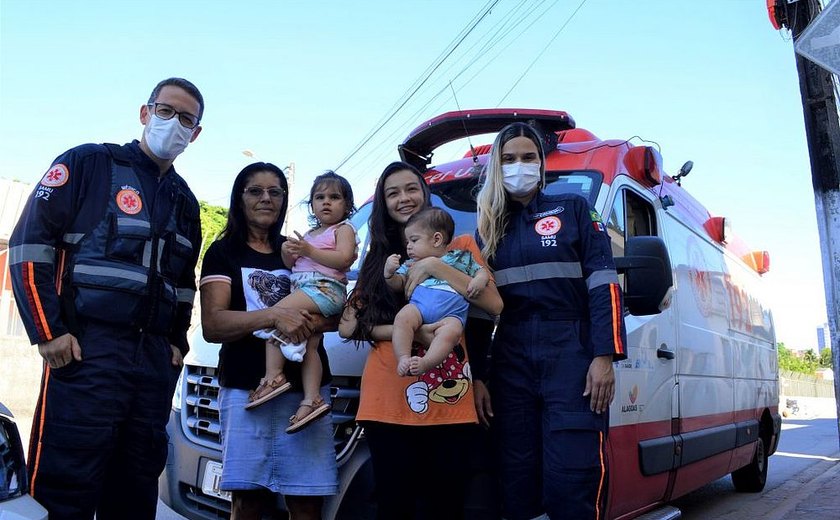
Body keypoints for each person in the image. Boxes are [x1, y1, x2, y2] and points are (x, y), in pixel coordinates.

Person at [8, 77, 204, 520]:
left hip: (152, 362)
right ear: (144, 112)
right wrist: (48, 331)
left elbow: (184, 284)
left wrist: (176, 343)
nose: (173, 124)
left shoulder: (185, 201)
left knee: (136, 488)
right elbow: (28, 246)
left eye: (186, 119)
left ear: (195, 134)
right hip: (86, 352)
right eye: (166, 111)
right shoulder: (88, 164)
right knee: (66, 484)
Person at [474, 122, 628, 520]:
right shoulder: (488, 230)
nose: (519, 166)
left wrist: (604, 356)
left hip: (572, 358)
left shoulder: (574, 209)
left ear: (543, 165)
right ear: (496, 166)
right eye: (509, 159)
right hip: (510, 361)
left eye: (528, 157)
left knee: (571, 481)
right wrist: (478, 376)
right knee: (516, 480)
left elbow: (604, 284)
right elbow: (477, 311)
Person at [339, 161, 503, 520]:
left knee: (446, 504)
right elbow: (349, 328)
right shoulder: (379, 260)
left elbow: (492, 304)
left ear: (424, 192)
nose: (404, 198)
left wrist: (435, 267)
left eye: (411, 188)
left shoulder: (460, 246)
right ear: (383, 202)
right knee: (394, 504)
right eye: (392, 192)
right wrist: (414, 331)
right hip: (387, 391)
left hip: (448, 394)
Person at [200, 162, 338, 519]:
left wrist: (308, 320)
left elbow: (334, 304)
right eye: (255, 191)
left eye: (275, 191)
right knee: (247, 502)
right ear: (239, 197)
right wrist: (275, 315)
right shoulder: (223, 252)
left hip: (307, 397)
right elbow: (213, 325)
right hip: (246, 390)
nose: (266, 198)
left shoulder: (298, 249)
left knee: (308, 503)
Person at [247, 172, 357, 434]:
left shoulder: (343, 230)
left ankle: (273, 376)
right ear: (312, 205)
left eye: (334, 197)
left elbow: (343, 260)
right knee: (311, 347)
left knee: (277, 316)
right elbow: (293, 266)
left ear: (347, 205)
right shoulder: (308, 233)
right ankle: (312, 399)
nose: (326, 202)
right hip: (307, 290)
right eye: (319, 198)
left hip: (324, 290)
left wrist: (309, 250)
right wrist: (288, 254)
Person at [385, 207, 492, 377]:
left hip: (450, 315)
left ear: (436, 239)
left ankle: (426, 362)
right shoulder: (411, 263)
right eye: (407, 243)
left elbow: (481, 271)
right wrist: (389, 274)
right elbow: (398, 284)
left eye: (414, 240)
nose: (409, 247)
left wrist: (479, 280)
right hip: (418, 308)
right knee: (403, 317)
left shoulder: (460, 258)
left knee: (452, 331)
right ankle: (404, 358)